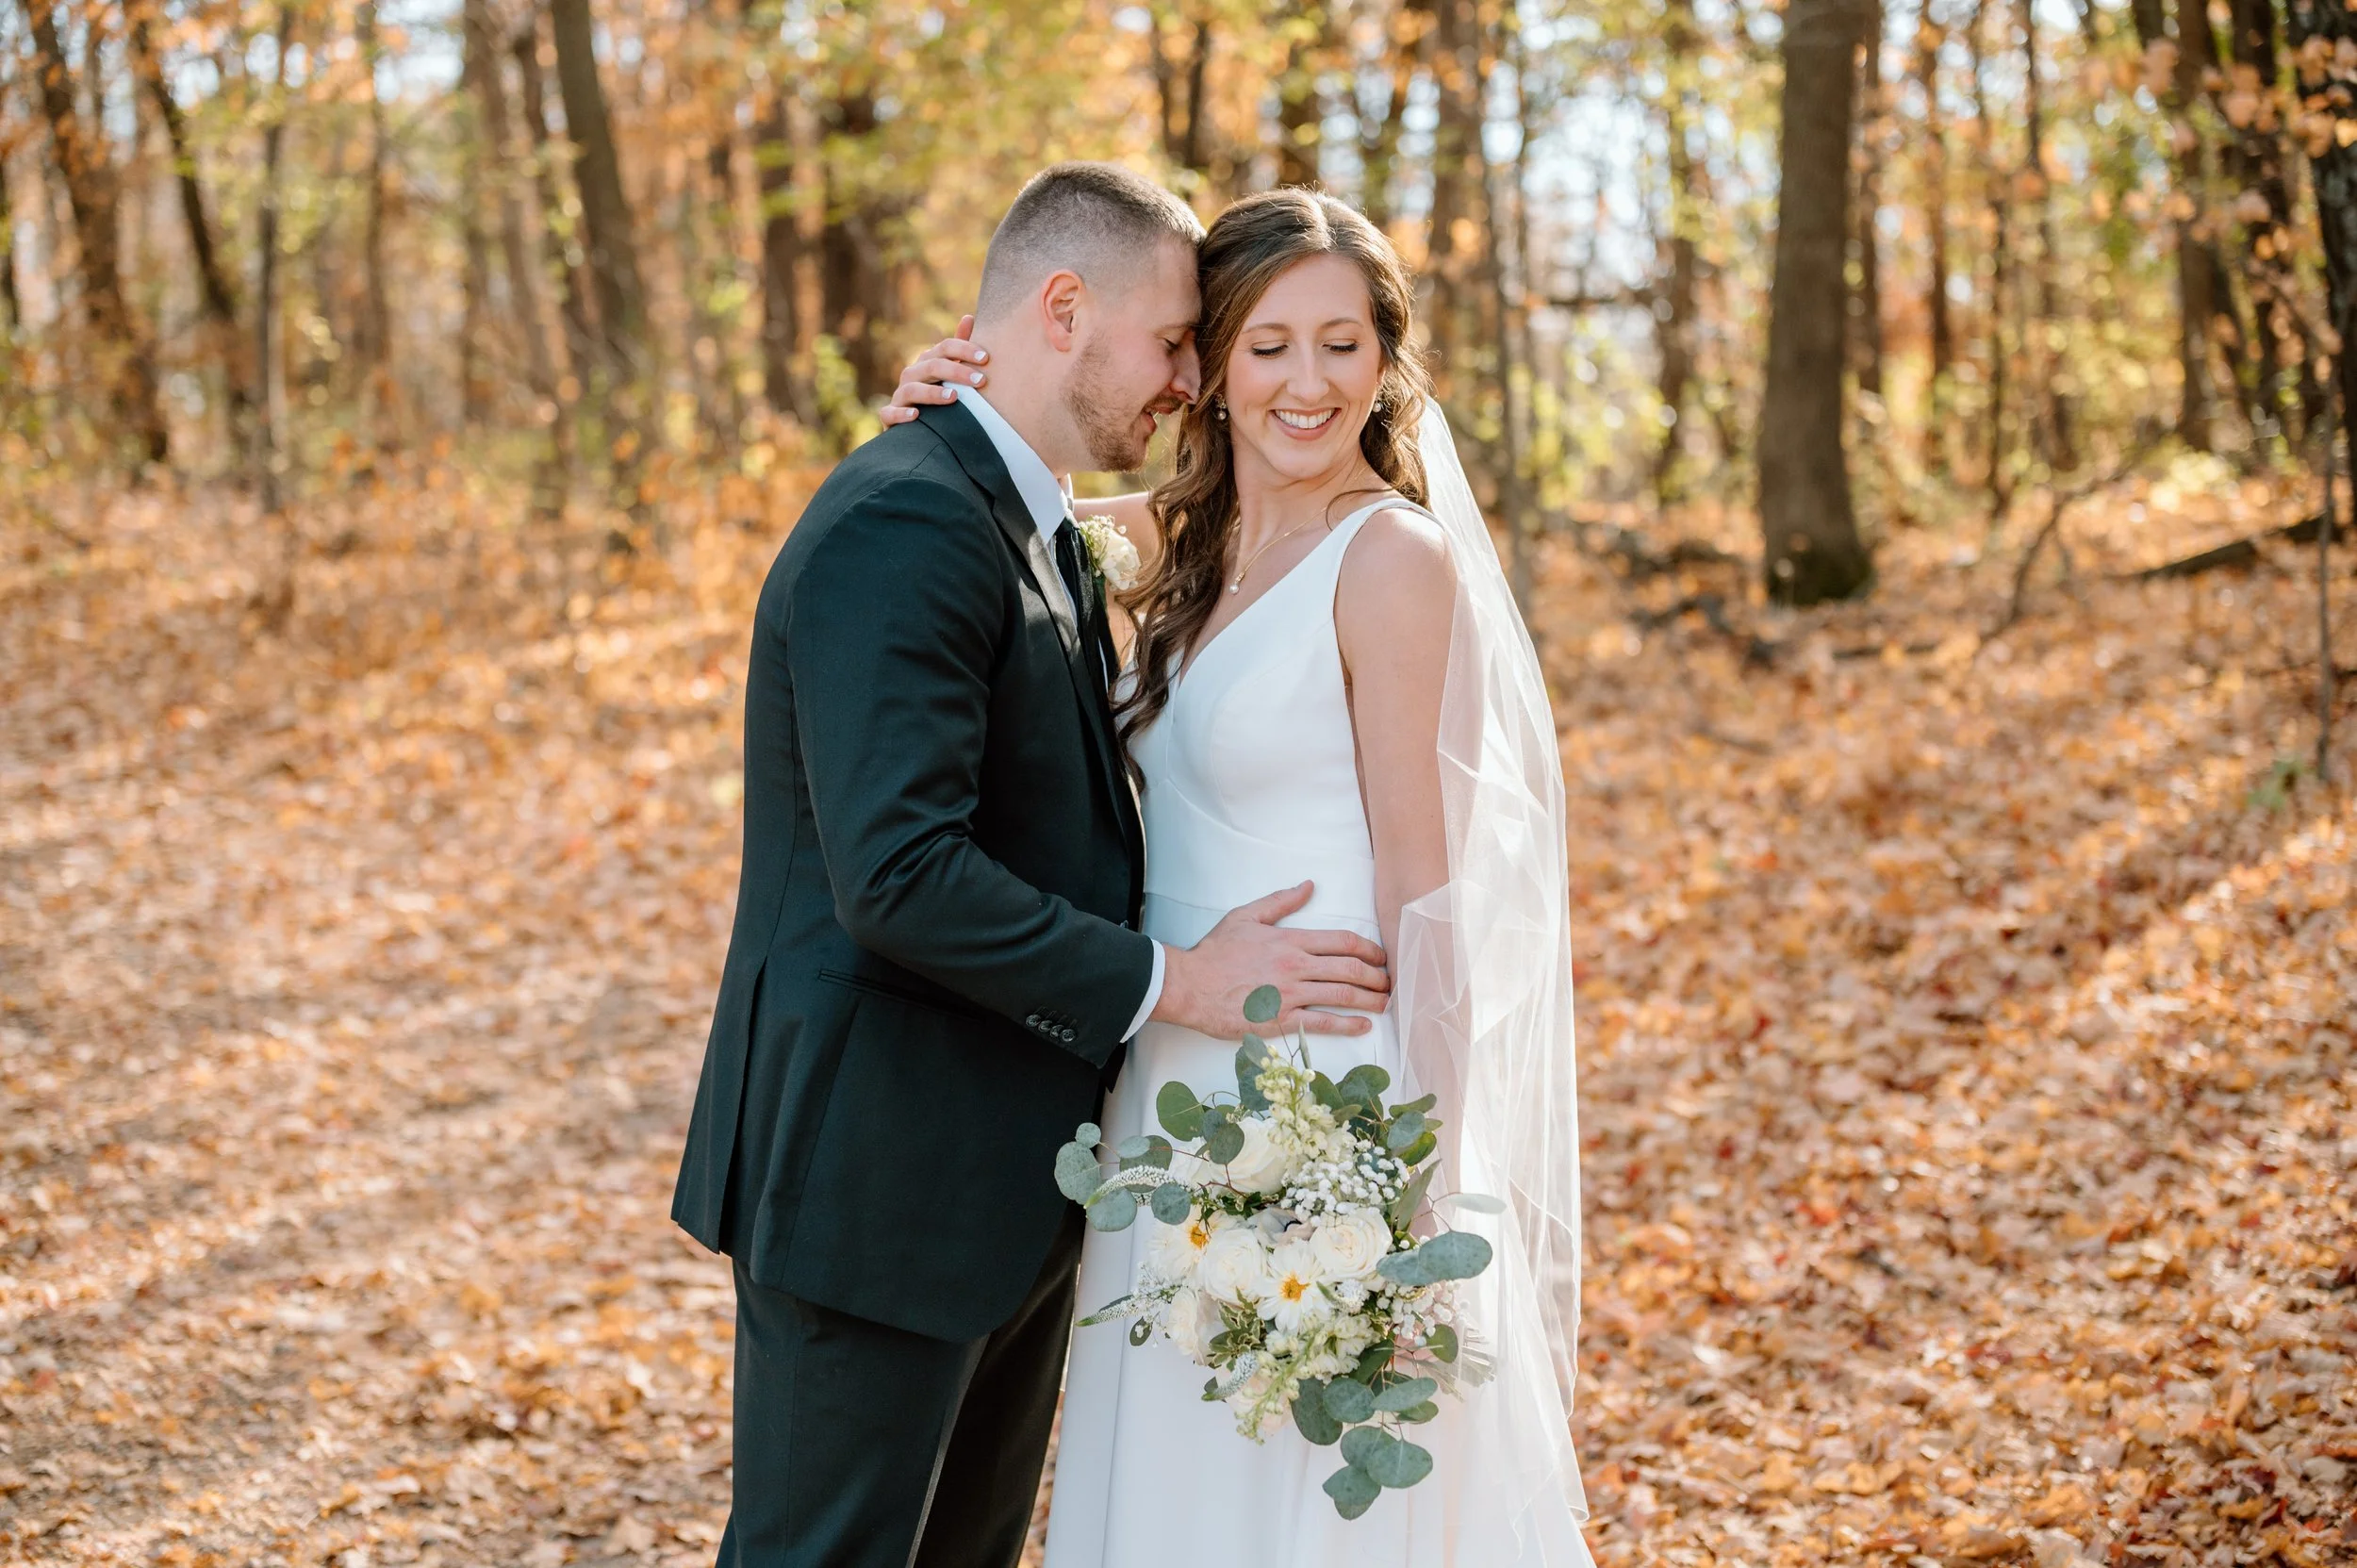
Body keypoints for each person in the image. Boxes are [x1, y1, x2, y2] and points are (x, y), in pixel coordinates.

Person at [669, 163, 1395, 1568]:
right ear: (1065, 309)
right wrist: (1178, 979)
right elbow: (900, 872)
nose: (1190, 378)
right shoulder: (907, 517)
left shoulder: (1026, 512)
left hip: (1005, 1185)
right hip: (877, 1177)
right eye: (1176, 339)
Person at [887, 188, 1591, 1564]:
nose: (1307, 382)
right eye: (1268, 344)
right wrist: (932, 396)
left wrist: (1424, 1186)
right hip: (1173, 1086)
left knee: (1308, 1501)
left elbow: (1429, 896)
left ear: (1386, 360)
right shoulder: (1173, 543)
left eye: (1342, 343)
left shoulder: (1390, 559)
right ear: (1204, 363)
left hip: (1326, 1099)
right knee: (1179, 1494)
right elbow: (1003, 494)